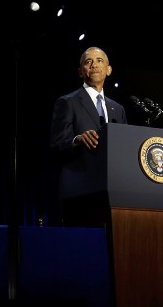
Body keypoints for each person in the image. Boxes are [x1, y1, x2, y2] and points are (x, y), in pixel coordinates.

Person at [49, 46, 127, 226]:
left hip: (114, 192)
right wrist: (78, 140)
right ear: (80, 71)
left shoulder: (118, 108)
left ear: (108, 69)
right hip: (81, 191)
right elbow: (56, 146)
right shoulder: (67, 102)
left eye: (99, 61)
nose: (94, 65)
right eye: (88, 61)